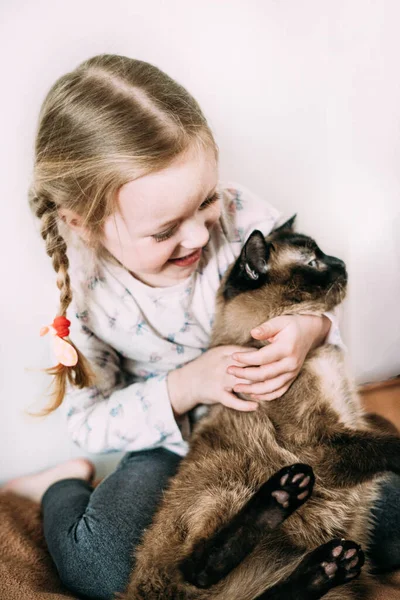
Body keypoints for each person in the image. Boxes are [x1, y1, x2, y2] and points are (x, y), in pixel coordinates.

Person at [2, 54, 398, 599]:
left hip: (279, 437)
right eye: (166, 231)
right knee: (102, 567)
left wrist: (313, 330)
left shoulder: (244, 218)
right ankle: (58, 486)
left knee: (392, 514)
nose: (196, 237)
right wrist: (185, 386)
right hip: (177, 456)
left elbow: (312, 305)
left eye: (206, 201)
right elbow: (89, 423)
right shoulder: (87, 300)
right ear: (83, 224)